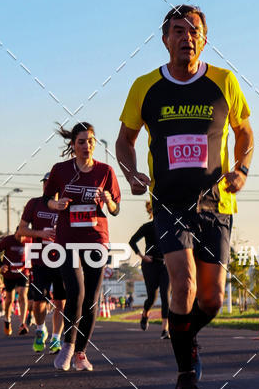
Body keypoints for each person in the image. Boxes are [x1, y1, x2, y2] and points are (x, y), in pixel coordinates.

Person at [116, 4, 253, 389]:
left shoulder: (224, 81)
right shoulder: (145, 87)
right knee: (184, 284)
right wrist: (131, 173)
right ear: (165, 39)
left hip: (217, 202)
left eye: (193, 30)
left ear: (204, 39)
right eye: (177, 30)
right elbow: (125, 139)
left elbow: (244, 132)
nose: (186, 37)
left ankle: (184, 333)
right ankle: (185, 372)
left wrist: (241, 170)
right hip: (168, 203)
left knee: (212, 297)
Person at [44, 122, 121, 372]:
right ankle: (67, 346)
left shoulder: (106, 171)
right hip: (68, 241)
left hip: (97, 239)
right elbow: (47, 200)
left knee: (91, 300)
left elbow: (116, 209)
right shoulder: (60, 170)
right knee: (75, 292)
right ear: (72, 145)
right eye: (81, 141)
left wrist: (109, 201)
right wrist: (56, 205)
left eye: (90, 141)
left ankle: (81, 353)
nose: (86, 146)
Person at [19, 174, 65, 354]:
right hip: (40, 260)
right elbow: (22, 230)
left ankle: (55, 339)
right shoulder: (34, 204)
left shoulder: (65, 205)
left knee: (61, 303)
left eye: (51, 183)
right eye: (45, 183)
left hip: (62, 260)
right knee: (39, 302)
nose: (48, 186)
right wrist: (40, 233)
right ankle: (40, 329)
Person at [129, 201, 170, 338]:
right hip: (150, 264)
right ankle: (145, 313)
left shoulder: (169, 227)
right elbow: (132, 241)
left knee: (166, 296)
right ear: (152, 212)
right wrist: (142, 256)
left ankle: (165, 329)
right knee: (152, 297)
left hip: (166, 265)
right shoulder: (147, 227)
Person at [0, 229, 30, 335]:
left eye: (23, 237)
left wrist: (27, 265)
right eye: (19, 236)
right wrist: (1, 265)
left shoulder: (29, 240)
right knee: (9, 299)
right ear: (16, 233)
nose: (21, 239)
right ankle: (7, 319)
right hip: (9, 273)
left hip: (22, 273)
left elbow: (33, 254)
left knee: (23, 295)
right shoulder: (8, 240)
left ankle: (22, 323)